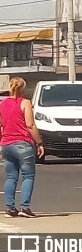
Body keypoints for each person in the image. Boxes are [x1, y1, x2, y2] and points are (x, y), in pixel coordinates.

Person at [1, 77, 44, 218]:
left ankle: (10, 208)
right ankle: (24, 208)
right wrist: (39, 143)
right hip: (23, 143)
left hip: (6, 143)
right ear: (23, 89)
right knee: (28, 175)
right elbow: (30, 125)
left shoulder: (2, 104)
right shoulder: (25, 103)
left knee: (11, 176)